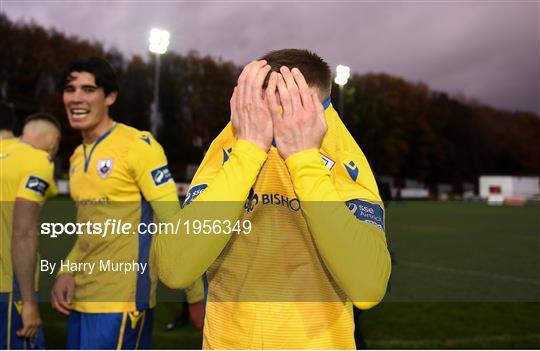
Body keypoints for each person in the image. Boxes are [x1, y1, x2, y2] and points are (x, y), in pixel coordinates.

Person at [182, 49, 392, 348]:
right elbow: (177, 268)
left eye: (292, 105)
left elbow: (368, 286)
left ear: (318, 108)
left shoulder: (343, 155)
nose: (273, 119)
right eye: (262, 104)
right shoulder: (233, 141)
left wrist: (304, 160)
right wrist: (248, 151)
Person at [49, 57, 204, 349]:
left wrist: (195, 297)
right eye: (70, 89)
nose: (76, 98)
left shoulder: (138, 147)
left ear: (110, 96)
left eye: (87, 89)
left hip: (122, 303)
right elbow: (88, 230)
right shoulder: (76, 158)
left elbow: (174, 225)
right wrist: (66, 270)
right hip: (80, 300)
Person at [0, 112, 61, 349]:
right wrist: (29, 303)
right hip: (7, 290)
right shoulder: (37, 160)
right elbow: (23, 233)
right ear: (53, 142)